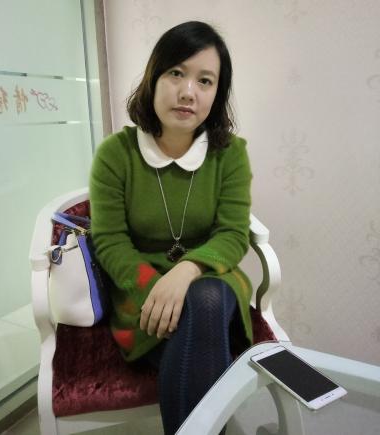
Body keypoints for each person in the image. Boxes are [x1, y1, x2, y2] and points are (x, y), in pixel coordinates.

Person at [90, 21, 253, 435]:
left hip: (211, 276)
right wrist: (155, 290)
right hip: (140, 290)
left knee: (206, 299)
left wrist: (186, 271)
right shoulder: (116, 154)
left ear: (217, 93)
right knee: (200, 349)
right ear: (154, 78)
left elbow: (233, 234)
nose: (188, 92)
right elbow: (109, 241)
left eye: (205, 80)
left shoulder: (230, 154)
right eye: (176, 73)